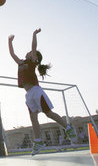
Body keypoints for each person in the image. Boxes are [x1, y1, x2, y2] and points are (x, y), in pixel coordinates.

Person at [8, 28, 76, 156]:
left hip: (36, 91)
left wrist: (33, 34)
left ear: (35, 57)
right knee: (33, 118)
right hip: (28, 94)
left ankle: (68, 127)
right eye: (28, 52)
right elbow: (12, 54)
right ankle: (38, 141)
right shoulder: (21, 63)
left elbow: (33, 47)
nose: (28, 52)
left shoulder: (32, 62)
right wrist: (9, 41)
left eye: (30, 52)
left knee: (48, 113)